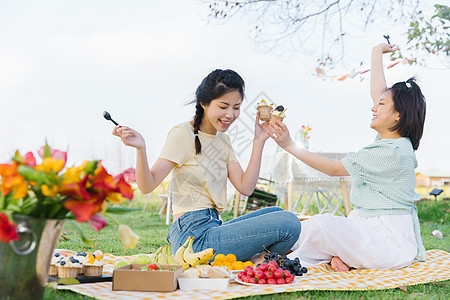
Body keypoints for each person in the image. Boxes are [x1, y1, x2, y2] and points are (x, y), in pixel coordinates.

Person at [266, 43, 427, 271]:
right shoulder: (396, 142)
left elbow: (333, 169)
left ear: (397, 117)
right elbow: (378, 92)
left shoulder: (390, 152)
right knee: (318, 224)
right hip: (370, 230)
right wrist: (376, 52)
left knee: (321, 224)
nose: (374, 108)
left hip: (388, 244)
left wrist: (290, 145)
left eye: (381, 105)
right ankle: (340, 256)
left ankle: (294, 257)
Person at [113, 69, 301, 260]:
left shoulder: (223, 140)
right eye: (223, 106)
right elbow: (147, 185)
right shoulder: (182, 133)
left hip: (213, 227)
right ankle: (255, 260)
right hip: (193, 238)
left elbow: (246, 187)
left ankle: (254, 261)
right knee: (289, 222)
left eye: (236, 107)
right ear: (204, 103)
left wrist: (259, 140)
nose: (230, 114)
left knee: (277, 212)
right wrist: (141, 149)